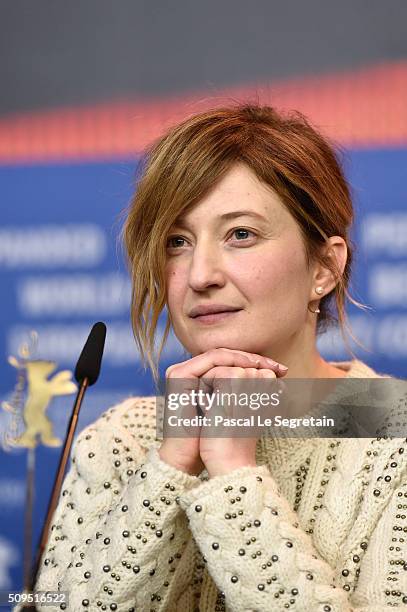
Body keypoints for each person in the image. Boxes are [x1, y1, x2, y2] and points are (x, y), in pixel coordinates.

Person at [33, 105, 407, 611]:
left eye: (240, 235)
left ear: (324, 266)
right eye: (177, 242)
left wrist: (234, 477)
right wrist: (167, 469)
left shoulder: (396, 436)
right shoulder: (121, 438)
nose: (199, 274)